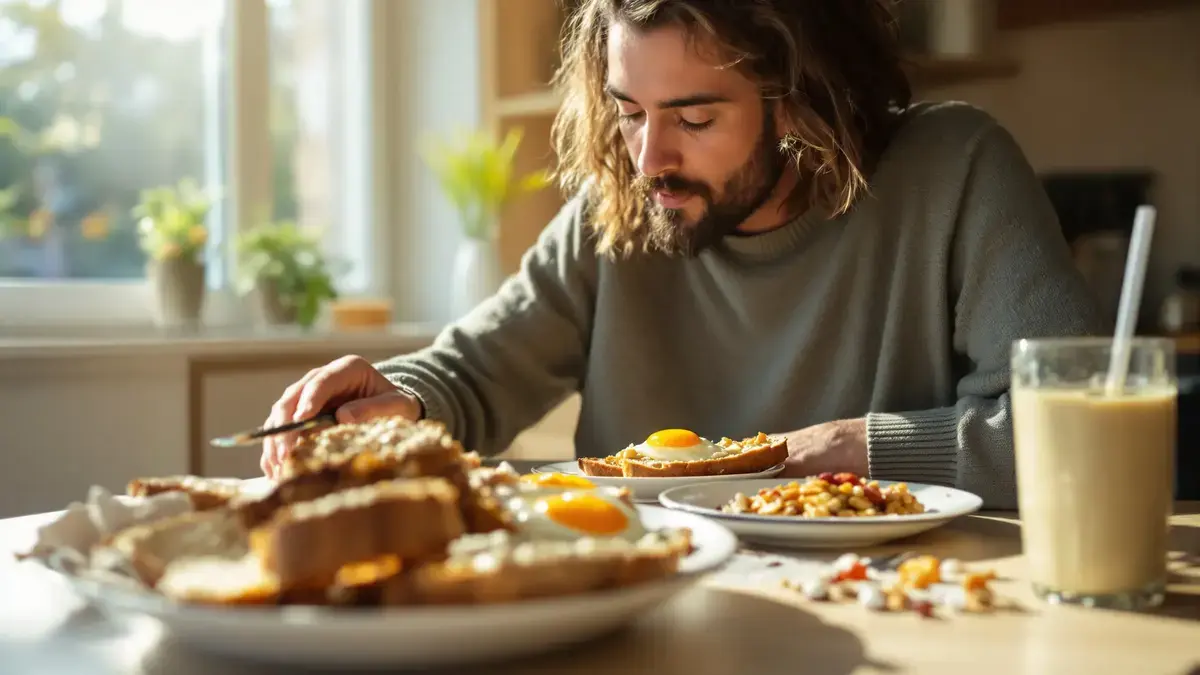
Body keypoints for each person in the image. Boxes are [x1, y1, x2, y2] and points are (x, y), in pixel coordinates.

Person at [260, 0, 1103, 509]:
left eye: (694, 120)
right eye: (629, 111)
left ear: (802, 101)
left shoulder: (955, 170)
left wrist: (842, 451)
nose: (647, 157)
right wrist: (400, 399)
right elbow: (476, 373)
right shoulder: (619, 211)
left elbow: (1077, 430)